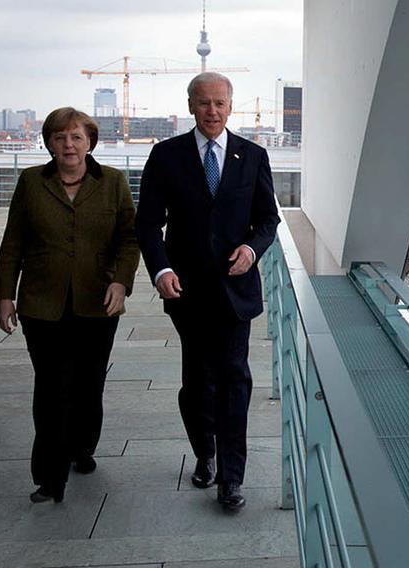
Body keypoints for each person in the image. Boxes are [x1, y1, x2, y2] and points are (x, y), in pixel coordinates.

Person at [135, 72, 280, 511]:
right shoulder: (166, 155)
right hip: (186, 290)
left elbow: (267, 221)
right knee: (196, 381)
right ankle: (205, 452)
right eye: (203, 103)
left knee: (234, 378)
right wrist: (160, 269)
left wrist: (253, 251)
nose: (212, 111)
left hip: (236, 290)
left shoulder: (252, 155)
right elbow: (147, 223)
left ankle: (232, 480)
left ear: (231, 106)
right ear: (190, 106)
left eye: (219, 103)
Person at [0, 107, 139, 504]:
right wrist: (5, 295)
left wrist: (121, 283)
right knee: (51, 388)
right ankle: (48, 477)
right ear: (49, 144)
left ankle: (82, 446)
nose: (68, 145)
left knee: (88, 385)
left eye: (76, 137)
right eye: (60, 138)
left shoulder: (112, 182)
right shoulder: (31, 182)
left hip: (98, 303)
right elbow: (13, 242)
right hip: (42, 305)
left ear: (90, 141)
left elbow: (129, 239)